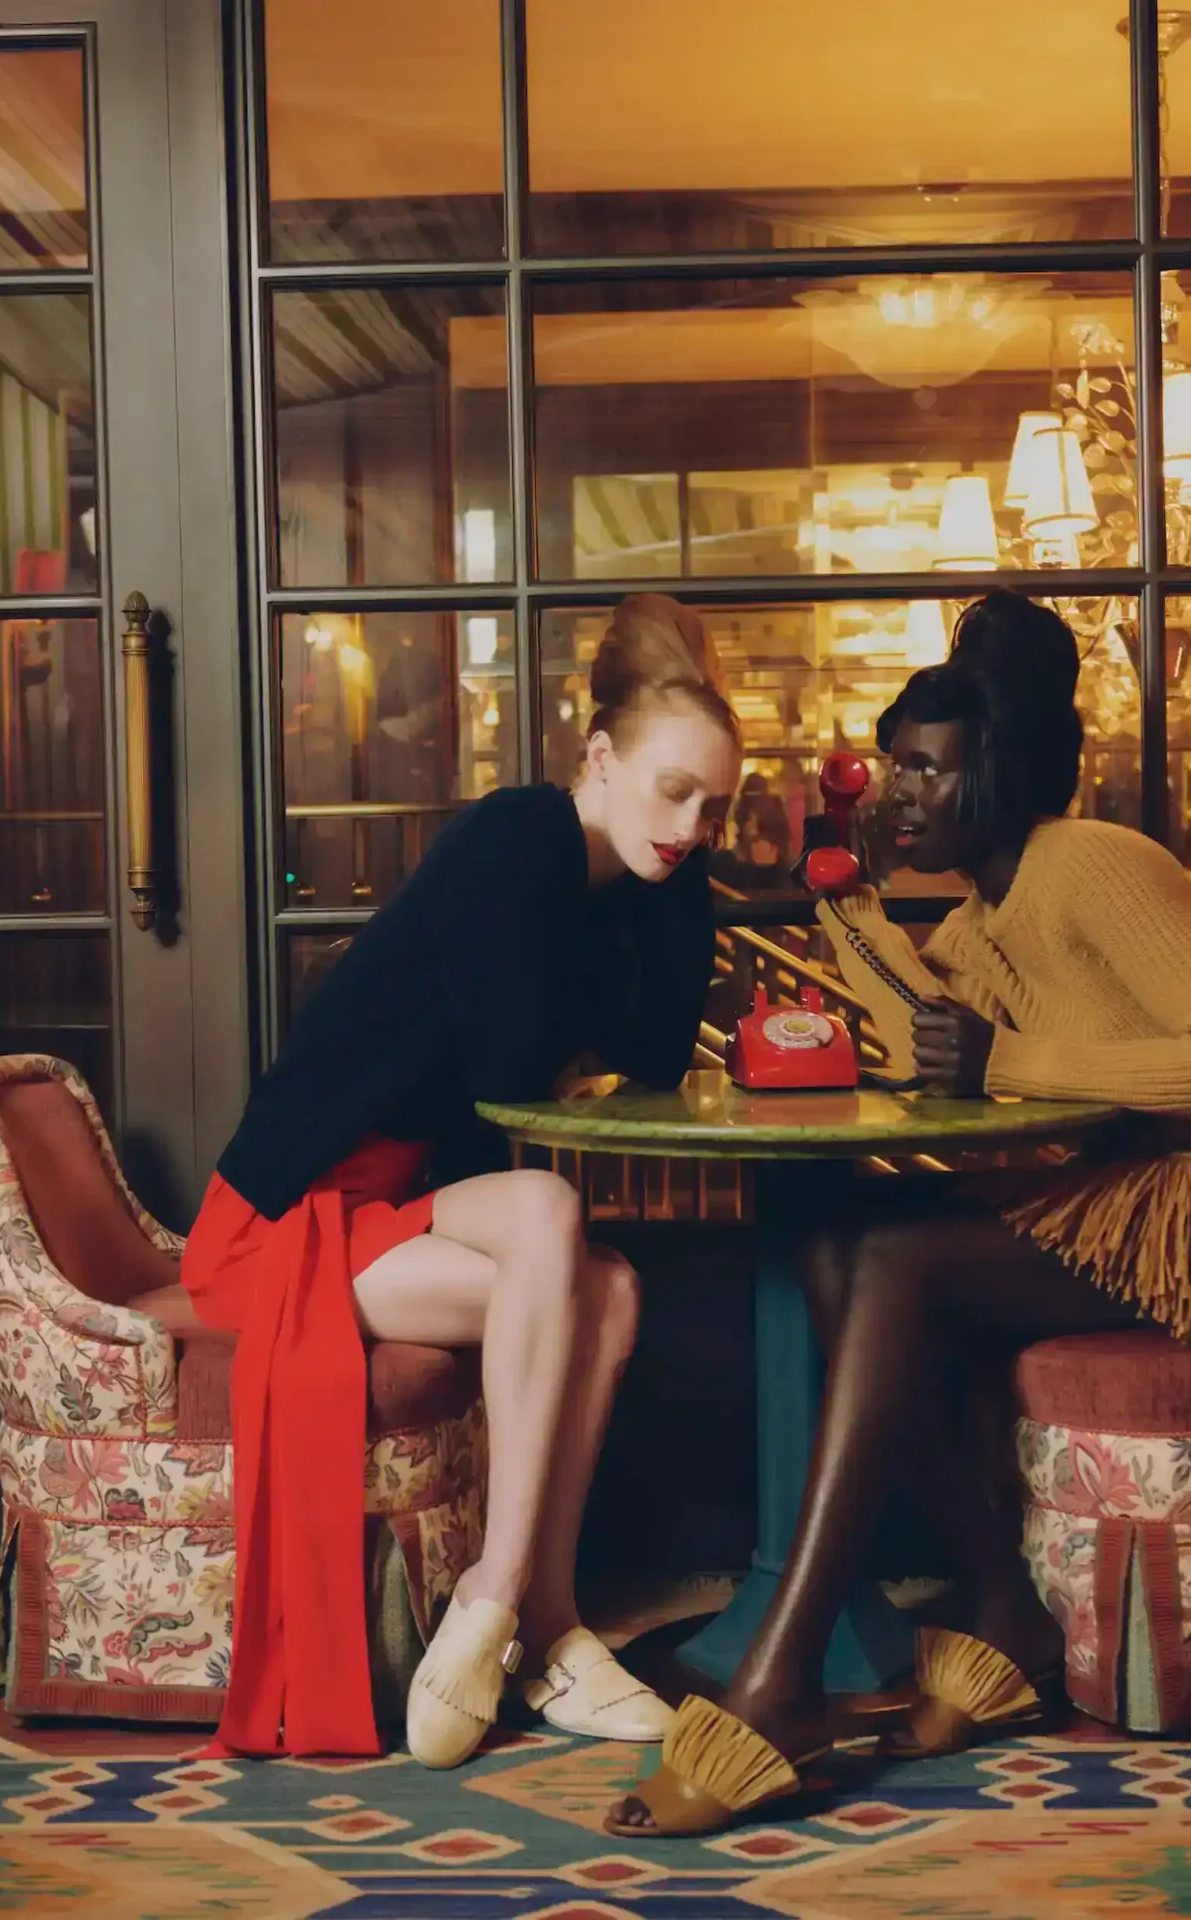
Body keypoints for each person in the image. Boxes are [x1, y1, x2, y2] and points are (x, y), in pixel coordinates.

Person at [608, 590, 1191, 1838]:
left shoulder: (1096, 863)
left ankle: (785, 1675)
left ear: (1001, 768)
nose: (898, 792)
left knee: (895, 1261)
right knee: (837, 1240)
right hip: (1143, 1193)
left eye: (927, 769)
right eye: (893, 766)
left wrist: (1013, 1060)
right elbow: (920, 1045)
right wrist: (851, 906)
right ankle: (1002, 1605)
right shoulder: (982, 921)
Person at [182, 593, 741, 1767]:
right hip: (285, 1223)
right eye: (672, 791)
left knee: (613, 1288)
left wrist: (684, 870)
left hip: (390, 1205)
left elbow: (651, 1056)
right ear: (599, 758)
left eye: (716, 807)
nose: (691, 825)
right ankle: (508, 1608)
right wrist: (582, 1016)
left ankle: (541, 1622)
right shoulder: (516, 838)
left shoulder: (629, 889)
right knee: (552, 1217)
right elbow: (508, 1071)